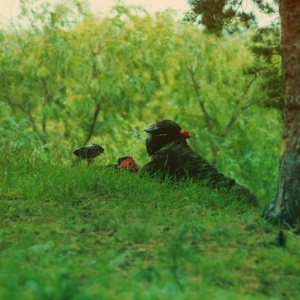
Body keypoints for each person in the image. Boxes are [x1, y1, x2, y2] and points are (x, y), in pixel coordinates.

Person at [137, 119, 257, 205]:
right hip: (238, 194)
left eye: (150, 137)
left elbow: (142, 180)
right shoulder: (177, 148)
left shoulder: (167, 152)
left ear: (161, 137)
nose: (148, 141)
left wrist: (127, 169)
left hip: (230, 197)